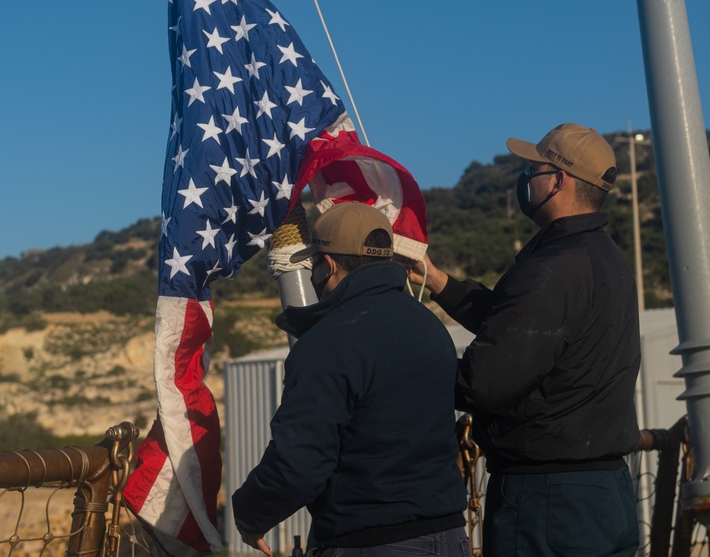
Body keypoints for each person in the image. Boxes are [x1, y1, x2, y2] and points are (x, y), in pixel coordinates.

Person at [409, 123, 641, 557]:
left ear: (558, 181)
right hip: (608, 492)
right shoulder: (605, 259)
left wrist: (401, 367)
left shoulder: (554, 267)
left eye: (532, 169)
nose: (524, 180)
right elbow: (522, 330)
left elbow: (486, 381)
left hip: (548, 500)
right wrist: (438, 281)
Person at [232, 202, 469, 557]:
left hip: (370, 542)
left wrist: (250, 513)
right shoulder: (430, 327)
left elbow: (299, 463)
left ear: (326, 263)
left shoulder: (328, 341)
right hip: (450, 536)